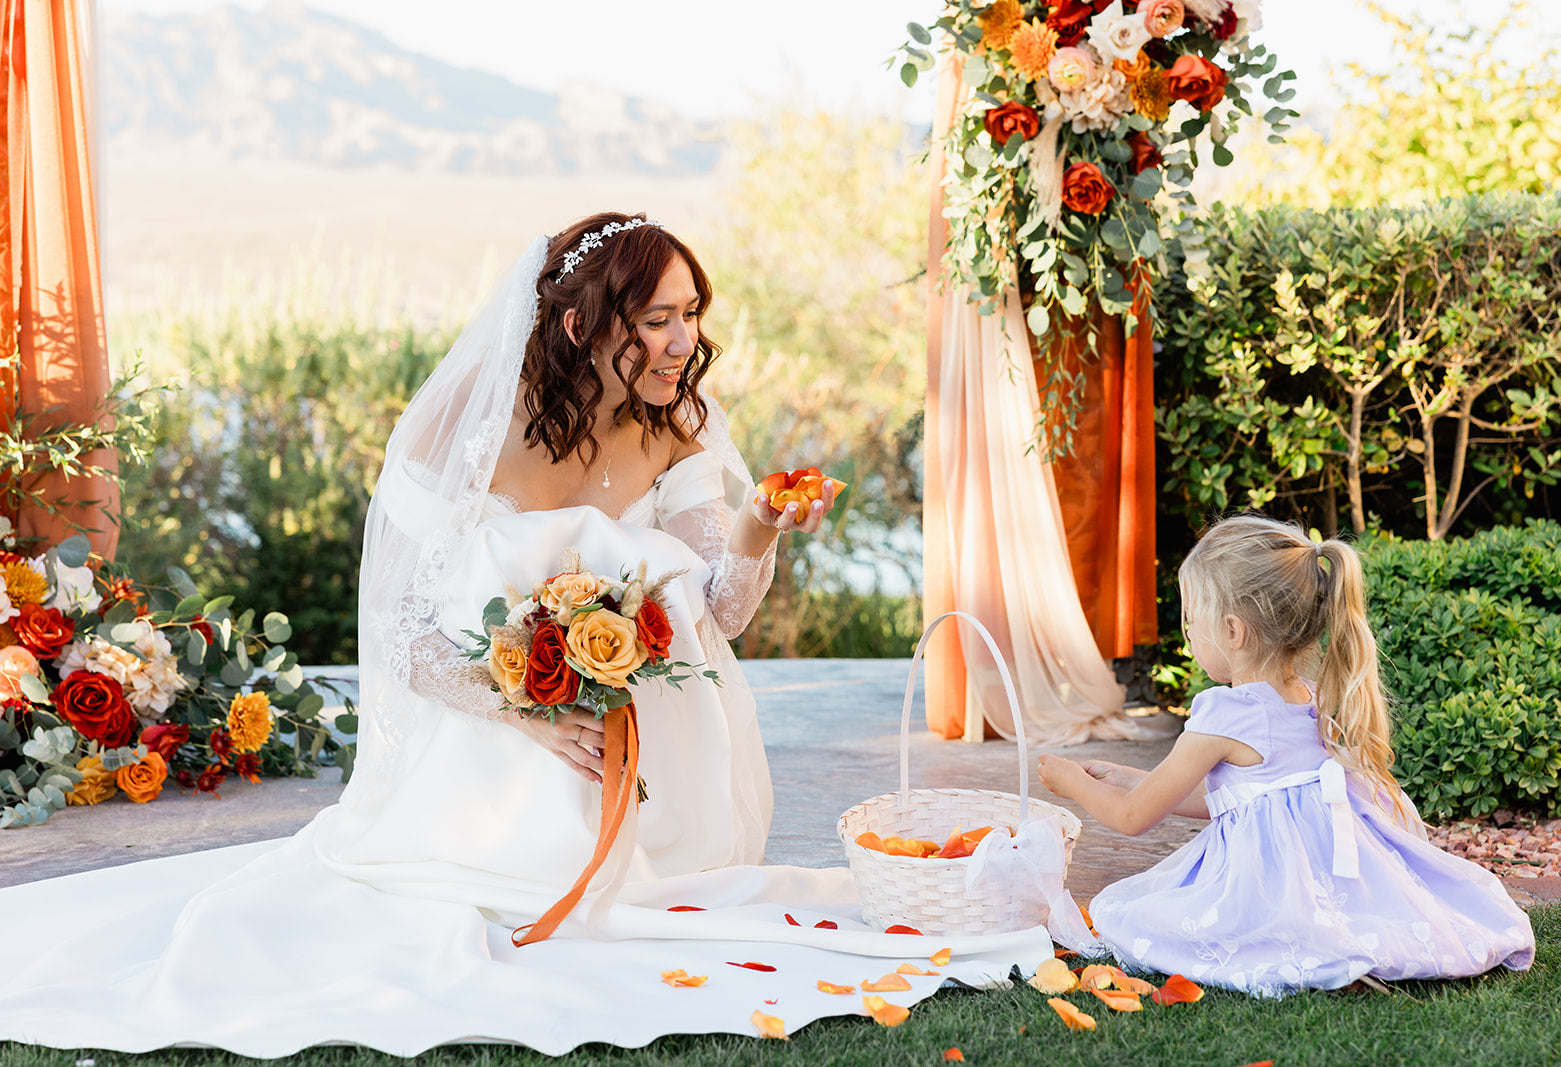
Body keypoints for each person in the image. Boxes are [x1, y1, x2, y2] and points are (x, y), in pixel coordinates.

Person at [0, 215, 1047, 1056]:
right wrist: (528, 710)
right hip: (490, 728)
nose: (684, 341)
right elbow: (407, 638)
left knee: (652, 880)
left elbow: (717, 613)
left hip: (662, 745)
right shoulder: (472, 426)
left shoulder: (680, 420)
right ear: (588, 321)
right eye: (657, 319)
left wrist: (758, 527)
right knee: (498, 862)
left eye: (692, 315)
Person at [1039, 514, 1536, 997]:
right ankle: (1337, 949)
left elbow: (1132, 818)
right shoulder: (1311, 697)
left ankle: (1317, 955)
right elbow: (1242, 798)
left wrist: (1073, 784)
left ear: (1233, 632)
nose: (1188, 638)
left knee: (1127, 912)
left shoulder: (1225, 712)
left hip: (1264, 885)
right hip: (1325, 881)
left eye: (1192, 625)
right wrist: (1129, 776)